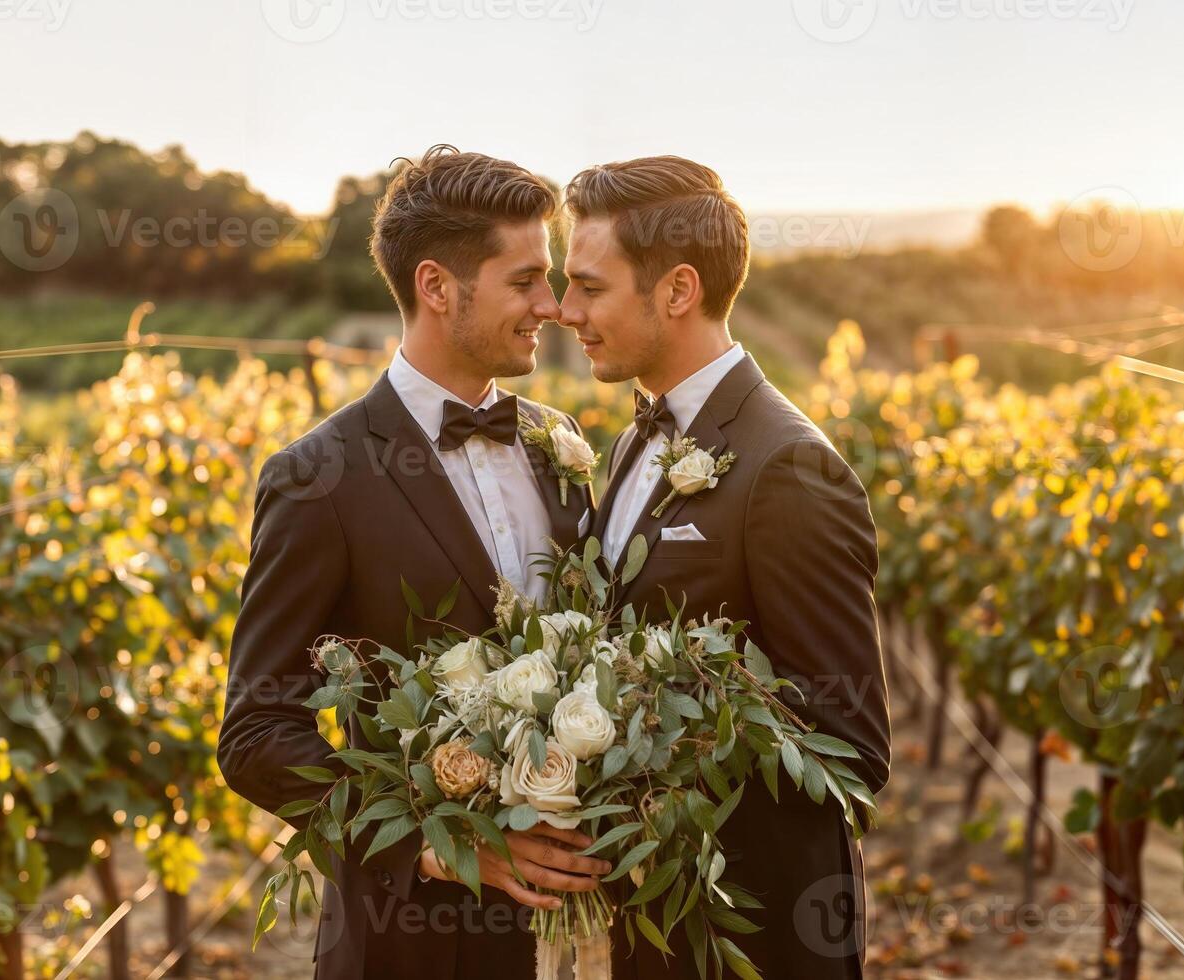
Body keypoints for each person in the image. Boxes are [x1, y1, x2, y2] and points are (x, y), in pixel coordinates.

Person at [219, 146, 607, 979]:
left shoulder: (558, 445)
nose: (555, 305)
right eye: (526, 280)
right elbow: (255, 734)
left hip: (587, 927)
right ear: (437, 286)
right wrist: (438, 844)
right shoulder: (316, 478)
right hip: (411, 943)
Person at [558, 155, 892, 978]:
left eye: (589, 287)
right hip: (660, 920)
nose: (565, 311)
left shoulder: (788, 468)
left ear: (676, 291)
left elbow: (851, 747)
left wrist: (657, 756)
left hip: (760, 930)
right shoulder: (636, 437)